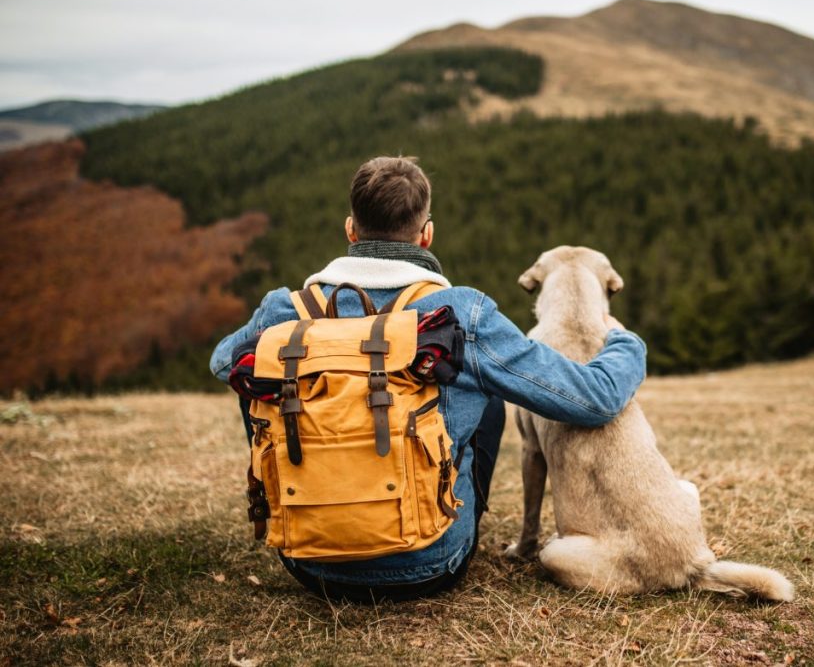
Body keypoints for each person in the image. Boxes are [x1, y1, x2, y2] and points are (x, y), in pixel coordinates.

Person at [210, 156, 647, 603]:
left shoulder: (285, 311)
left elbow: (224, 363)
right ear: (426, 234)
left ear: (350, 230)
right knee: (489, 396)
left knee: (264, 377)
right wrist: (625, 342)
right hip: (431, 563)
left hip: (308, 562)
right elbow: (595, 399)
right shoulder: (459, 313)